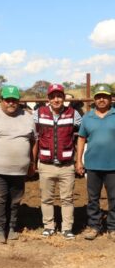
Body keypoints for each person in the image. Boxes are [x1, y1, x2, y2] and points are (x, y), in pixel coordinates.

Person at [0, 85, 36, 244]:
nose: (11, 103)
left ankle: (11, 227)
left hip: (19, 169)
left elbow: (33, 140)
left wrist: (32, 162)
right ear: (1, 100)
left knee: (15, 200)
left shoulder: (27, 117)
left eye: (14, 100)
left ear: (19, 101)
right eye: (7, 100)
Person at [34, 84, 82, 239]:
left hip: (66, 165)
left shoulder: (73, 114)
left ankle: (67, 228)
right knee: (46, 198)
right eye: (53, 96)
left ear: (64, 98)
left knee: (67, 199)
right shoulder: (38, 113)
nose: (56, 99)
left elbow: (84, 131)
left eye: (59, 96)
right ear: (48, 99)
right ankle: (48, 226)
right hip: (46, 164)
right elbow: (31, 133)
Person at [76, 84, 115, 240]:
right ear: (94, 99)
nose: (101, 99)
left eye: (105, 96)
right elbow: (81, 138)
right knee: (93, 199)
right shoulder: (87, 117)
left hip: (113, 165)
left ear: (111, 98)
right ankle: (94, 226)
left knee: (114, 198)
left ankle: (113, 228)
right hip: (92, 165)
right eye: (99, 96)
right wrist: (79, 160)